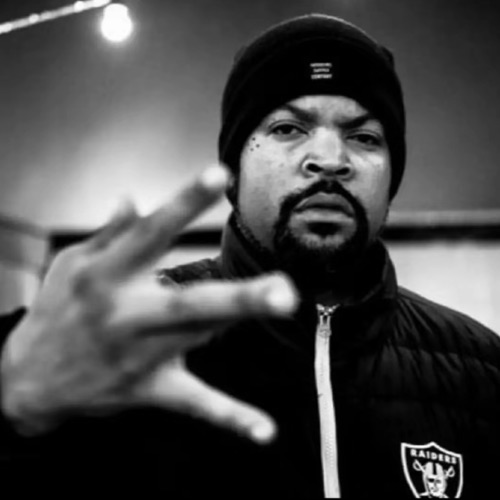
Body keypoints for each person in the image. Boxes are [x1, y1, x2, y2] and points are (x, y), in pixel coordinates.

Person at [0, 13, 499, 498]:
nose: (330, 159)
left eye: (364, 137)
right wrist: (11, 392)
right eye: (288, 129)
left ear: (392, 178)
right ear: (233, 172)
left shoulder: (481, 368)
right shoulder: (131, 344)